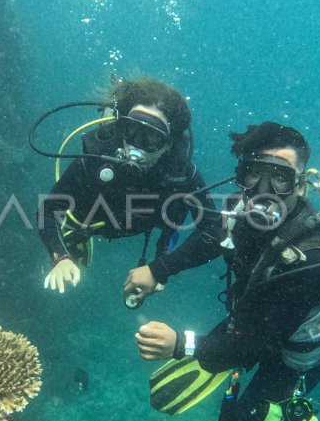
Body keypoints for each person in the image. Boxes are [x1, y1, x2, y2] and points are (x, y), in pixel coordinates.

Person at [131, 121, 320, 421]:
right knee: (215, 357)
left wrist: (180, 344)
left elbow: (261, 346)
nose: (264, 189)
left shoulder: (314, 259)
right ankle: (220, 369)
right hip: (253, 320)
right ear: (240, 175)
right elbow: (209, 241)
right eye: (253, 174)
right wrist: (160, 269)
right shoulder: (240, 211)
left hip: (296, 351)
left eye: (280, 177)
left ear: (302, 186)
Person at [38, 76, 210, 295]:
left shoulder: (181, 174)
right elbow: (47, 210)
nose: (137, 144)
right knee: (75, 225)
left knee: (176, 212)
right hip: (92, 216)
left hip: (144, 223)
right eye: (131, 130)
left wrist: (161, 269)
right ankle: (76, 235)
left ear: (168, 144)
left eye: (152, 138)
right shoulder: (99, 154)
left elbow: (214, 229)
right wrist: (60, 257)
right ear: (121, 127)